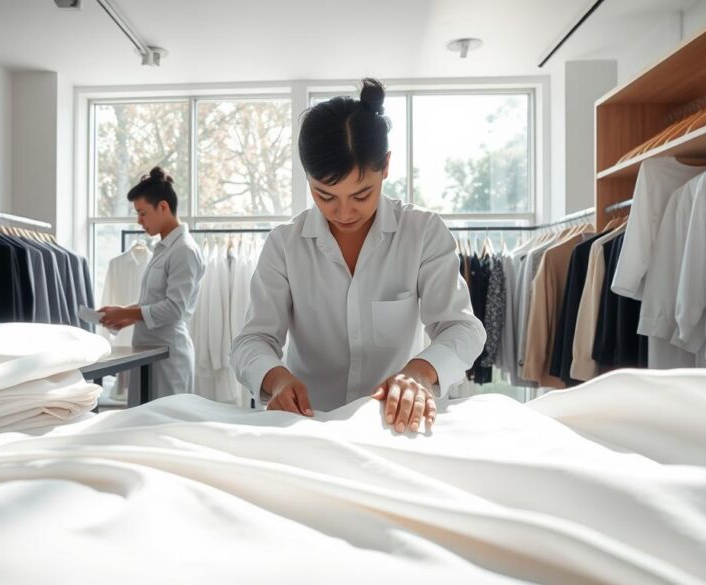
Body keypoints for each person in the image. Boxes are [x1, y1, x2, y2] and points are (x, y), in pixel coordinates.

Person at [231, 78, 486, 433]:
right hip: (307, 425)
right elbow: (253, 339)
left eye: (361, 195)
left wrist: (420, 373)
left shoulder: (422, 232)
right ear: (308, 179)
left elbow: (462, 328)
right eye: (325, 196)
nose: (344, 212)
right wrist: (275, 379)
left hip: (395, 425)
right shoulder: (284, 245)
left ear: (386, 167)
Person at [100, 167, 205, 399]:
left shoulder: (184, 251)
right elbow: (152, 301)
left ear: (163, 207)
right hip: (149, 352)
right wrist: (124, 316)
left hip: (169, 356)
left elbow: (174, 308)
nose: (139, 220)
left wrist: (126, 314)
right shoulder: (163, 249)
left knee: (164, 425)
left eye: (142, 213)